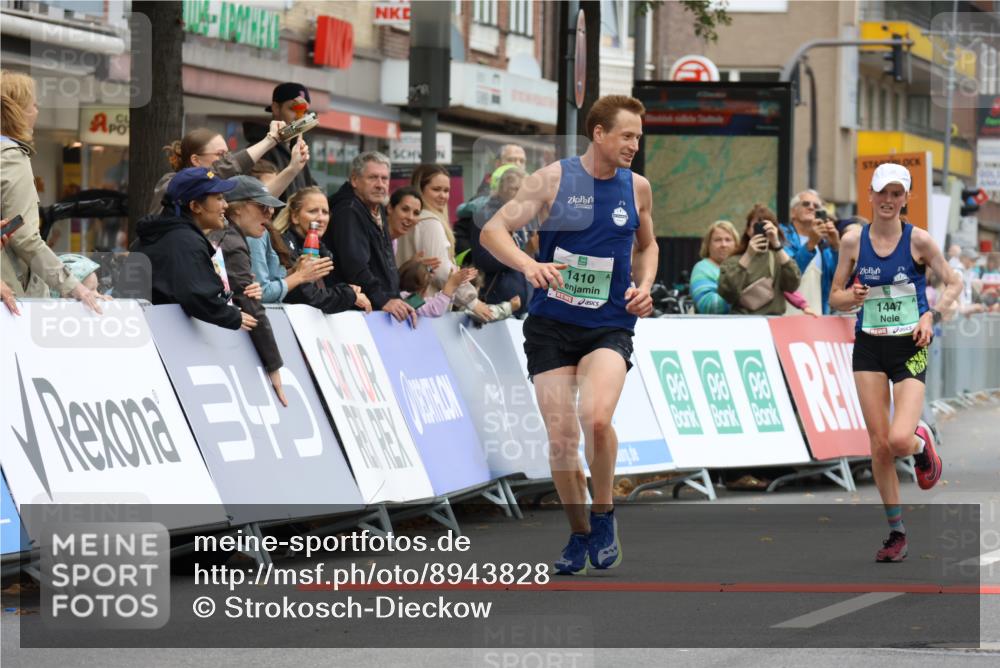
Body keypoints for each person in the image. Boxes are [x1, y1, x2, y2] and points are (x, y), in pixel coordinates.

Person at [480, 95, 658, 575]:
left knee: (596, 419)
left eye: (638, 137)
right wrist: (528, 265)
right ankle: (579, 533)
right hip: (552, 325)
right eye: (626, 135)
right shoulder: (553, 180)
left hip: (609, 323)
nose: (634, 145)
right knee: (561, 440)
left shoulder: (637, 188)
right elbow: (493, 231)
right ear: (598, 133)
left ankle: (603, 514)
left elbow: (648, 246)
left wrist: (644, 287)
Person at [829, 163, 962, 563]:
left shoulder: (918, 240)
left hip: (910, 347)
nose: (888, 200)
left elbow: (953, 282)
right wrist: (851, 297)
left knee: (900, 440)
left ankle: (921, 444)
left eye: (896, 193)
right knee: (880, 445)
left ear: (906, 199)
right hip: (869, 347)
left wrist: (931, 316)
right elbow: (835, 295)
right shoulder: (852, 241)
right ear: (869, 195)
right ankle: (896, 532)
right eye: (882, 193)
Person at [1, 70, 103, 312]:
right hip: (11, 297)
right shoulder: (11, 157)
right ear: (18, 110)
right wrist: (74, 287)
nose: (37, 111)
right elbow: (23, 236)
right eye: (34, 105)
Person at [129, 168, 257, 332]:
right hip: (165, 337)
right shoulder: (185, 241)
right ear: (195, 206)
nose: (225, 205)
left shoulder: (161, 235)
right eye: (218, 198)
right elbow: (196, 295)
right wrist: (230, 316)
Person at [209, 175, 290, 405]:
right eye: (262, 207)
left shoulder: (229, 236)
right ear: (236, 209)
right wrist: (274, 367)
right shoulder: (232, 241)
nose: (270, 213)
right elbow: (250, 305)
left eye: (271, 208)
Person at [397, 164, 496, 323]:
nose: (443, 195)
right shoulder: (430, 221)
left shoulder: (411, 219)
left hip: (409, 307)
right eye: (436, 189)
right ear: (420, 189)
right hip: (426, 311)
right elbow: (442, 270)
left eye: (446, 190)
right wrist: (472, 301)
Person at [326, 152, 415, 324]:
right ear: (354, 180)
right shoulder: (348, 210)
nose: (380, 185)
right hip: (354, 315)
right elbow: (355, 266)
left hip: (377, 311)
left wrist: (395, 299)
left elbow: (384, 265)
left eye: (384, 178)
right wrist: (383, 300)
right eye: (373, 178)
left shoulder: (376, 206)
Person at [149, 125, 307, 215]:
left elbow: (259, 199)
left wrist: (293, 168)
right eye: (221, 155)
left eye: (228, 154)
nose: (226, 160)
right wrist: (270, 141)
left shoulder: (217, 188)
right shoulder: (169, 184)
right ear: (195, 160)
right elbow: (219, 170)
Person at [272, 186, 370, 314]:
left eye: (325, 212)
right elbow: (308, 297)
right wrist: (349, 295)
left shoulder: (323, 251)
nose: (321, 218)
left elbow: (323, 293)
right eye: (313, 211)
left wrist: (348, 290)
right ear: (295, 216)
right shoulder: (282, 246)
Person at [470, 166, 532, 316]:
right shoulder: (485, 216)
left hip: (525, 309)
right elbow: (483, 261)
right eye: (515, 189)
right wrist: (523, 252)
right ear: (501, 190)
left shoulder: (525, 217)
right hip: (495, 306)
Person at [718, 204, 801, 315]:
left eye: (767, 227)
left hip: (771, 320)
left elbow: (793, 285)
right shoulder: (733, 261)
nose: (762, 231)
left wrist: (777, 244)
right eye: (757, 227)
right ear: (748, 230)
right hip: (742, 321)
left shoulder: (779, 259)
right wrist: (748, 255)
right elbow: (727, 293)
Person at [243, 82, 318, 200]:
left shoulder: (297, 149)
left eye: (305, 112)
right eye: (294, 109)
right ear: (276, 108)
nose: (300, 117)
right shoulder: (259, 150)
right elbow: (260, 199)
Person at [782, 189, 839, 314]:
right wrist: (810, 244)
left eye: (816, 206)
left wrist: (836, 247)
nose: (811, 207)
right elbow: (788, 276)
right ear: (793, 212)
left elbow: (838, 280)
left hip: (817, 315)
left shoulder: (824, 244)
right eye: (806, 204)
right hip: (786, 314)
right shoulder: (782, 236)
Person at [398, 258, 478, 318]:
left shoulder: (412, 299)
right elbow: (435, 308)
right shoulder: (406, 300)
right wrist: (450, 285)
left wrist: (453, 287)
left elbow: (435, 301)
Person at [690, 220, 739, 314]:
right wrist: (744, 298)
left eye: (728, 240)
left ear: (736, 245)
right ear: (708, 244)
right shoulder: (702, 268)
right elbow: (709, 306)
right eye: (718, 240)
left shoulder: (741, 267)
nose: (723, 245)